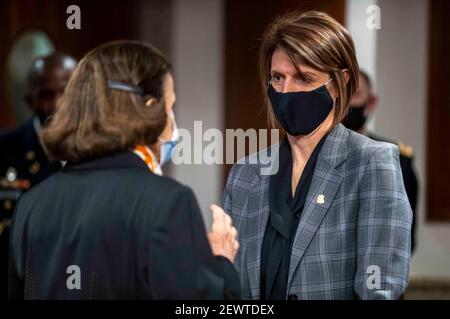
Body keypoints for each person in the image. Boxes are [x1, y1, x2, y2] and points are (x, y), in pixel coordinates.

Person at [8, 41, 240, 299]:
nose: (172, 120)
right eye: (169, 106)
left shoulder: (31, 205)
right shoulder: (168, 202)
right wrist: (221, 262)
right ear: (149, 108)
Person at [222, 11, 412, 300]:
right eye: (277, 77)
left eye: (303, 78)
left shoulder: (371, 163)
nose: (286, 91)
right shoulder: (245, 173)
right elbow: (229, 287)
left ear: (339, 83)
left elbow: (379, 289)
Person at [0, 52, 77, 299]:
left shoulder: (98, 150)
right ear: (29, 100)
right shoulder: (5, 149)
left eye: (65, 91)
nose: (56, 103)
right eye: (46, 94)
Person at [342, 70, 419, 254]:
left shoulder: (394, 158)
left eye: (356, 94)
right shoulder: (311, 154)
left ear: (371, 102)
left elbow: (404, 234)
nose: (348, 102)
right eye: (343, 93)